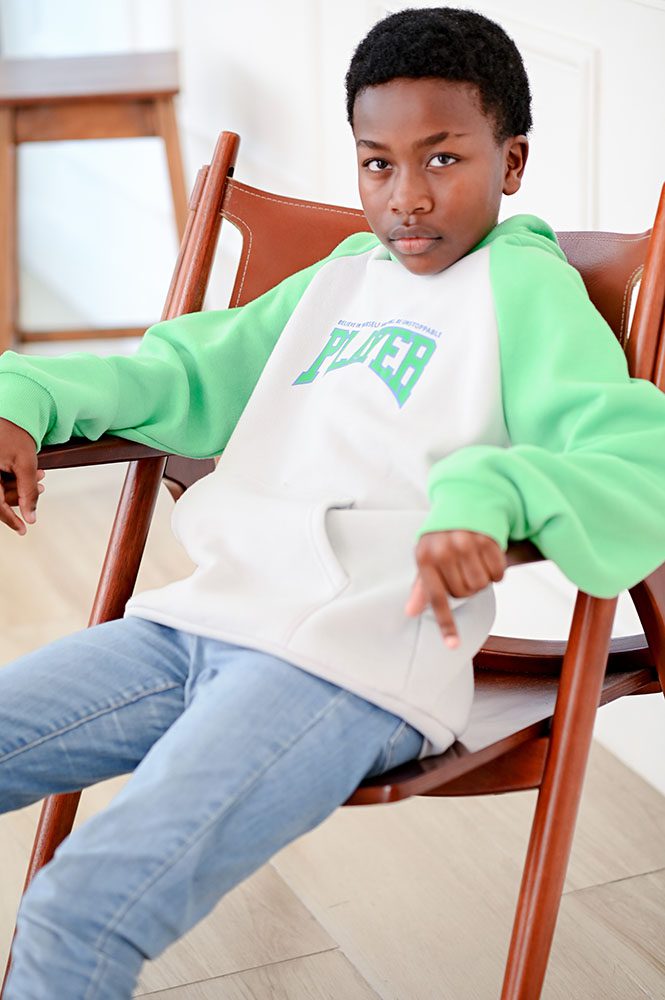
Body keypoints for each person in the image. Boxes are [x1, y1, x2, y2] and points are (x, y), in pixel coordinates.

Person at [1, 7, 664, 997]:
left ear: (512, 160)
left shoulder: (527, 293)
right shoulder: (342, 275)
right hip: (199, 623)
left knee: (77, 907)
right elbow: (181, 374)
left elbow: (631, 454)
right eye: (376, 164)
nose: (406, 197)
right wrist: (23, 398)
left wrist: (487, 495)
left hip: (350, 661)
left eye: (442, 159)